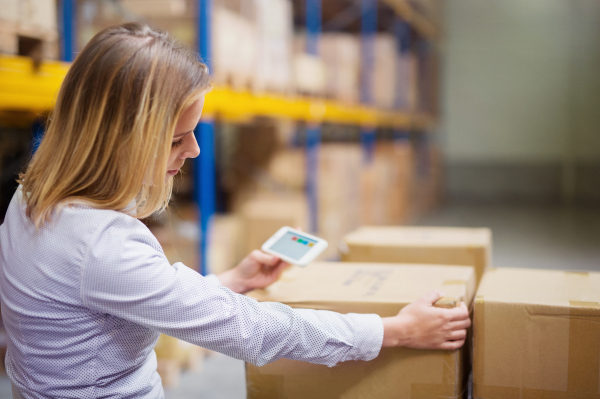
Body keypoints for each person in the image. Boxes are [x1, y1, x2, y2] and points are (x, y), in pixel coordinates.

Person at [0, 23, 470, 399]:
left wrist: (232, 281)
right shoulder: (102, 244)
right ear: (120, 139)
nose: (197, 151)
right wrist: (392, 330)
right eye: (176, 139)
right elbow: (252, 331)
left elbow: (122, 297)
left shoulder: (34, 197)